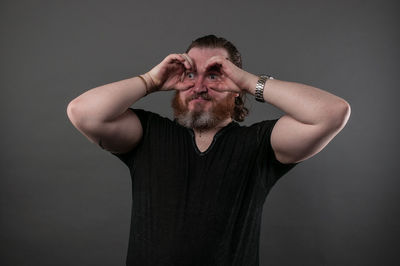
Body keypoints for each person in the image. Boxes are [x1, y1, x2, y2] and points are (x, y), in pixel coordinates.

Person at [67, 35, 351, 266]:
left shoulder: (260, 143)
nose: (199, 87)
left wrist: (250, 82)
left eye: (215, 76)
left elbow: (332, 113)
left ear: (235, 86)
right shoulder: (149, 134)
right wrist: (151, 81)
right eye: (190, 74)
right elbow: (83, 112)